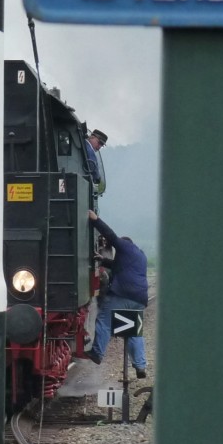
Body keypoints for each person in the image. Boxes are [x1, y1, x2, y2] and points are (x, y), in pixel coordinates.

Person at [87, 209, 149, 378]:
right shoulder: (140, 256)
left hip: (123, 294)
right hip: (139, 299)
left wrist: (95, 220)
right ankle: (140, 365)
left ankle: (97, 354)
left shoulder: (124, 245)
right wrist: (102, 259)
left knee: (104, 320)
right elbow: (118, 266)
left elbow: (111, 235)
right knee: (133, 331)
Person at [83, 128, 108, 194]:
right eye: (99, 143)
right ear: (92, 137)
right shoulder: (89, 149)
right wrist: (97, 177)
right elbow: (92, 166)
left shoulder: (84, 145)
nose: (99, 146)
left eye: (101, 145)